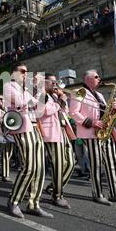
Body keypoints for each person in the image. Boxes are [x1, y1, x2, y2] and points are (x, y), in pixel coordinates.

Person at [69, 70, 116, 206]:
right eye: (96, 77)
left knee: (113, 164)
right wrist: (91, 122)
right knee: (96, 164)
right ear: (87, 79)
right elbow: (73, 113)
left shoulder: (99, 94)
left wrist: (113, 109)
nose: (100, 79)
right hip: (91, 133)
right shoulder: (79, 91)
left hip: (105, 133)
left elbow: (105, 113)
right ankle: (98, 194)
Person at [4, 63, 53, 218]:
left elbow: (39, 110)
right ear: (13, 73)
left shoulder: (27, 89)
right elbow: (21, 103)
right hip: (22, 128)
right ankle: (14, 201)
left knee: (40, 169)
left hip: (35, 127)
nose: (26, 74)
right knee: (29, 167)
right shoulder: (9, 86)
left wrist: (42, 92)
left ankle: (34, 203)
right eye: (23, 71)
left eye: (27, 72)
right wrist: (36, 88)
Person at [38, 74, 76, 208]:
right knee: (58, 164)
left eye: (56, 82)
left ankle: (54, 186)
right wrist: (60, 101)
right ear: (44, 82)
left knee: (71, 163)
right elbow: (44, 111)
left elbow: (64, 112)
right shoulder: (40, 94)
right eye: (53, 82)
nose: (55, 84)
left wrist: (62, 100)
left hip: (62, 129)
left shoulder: (54, 96)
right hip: (51, 132)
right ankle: (57, 195)